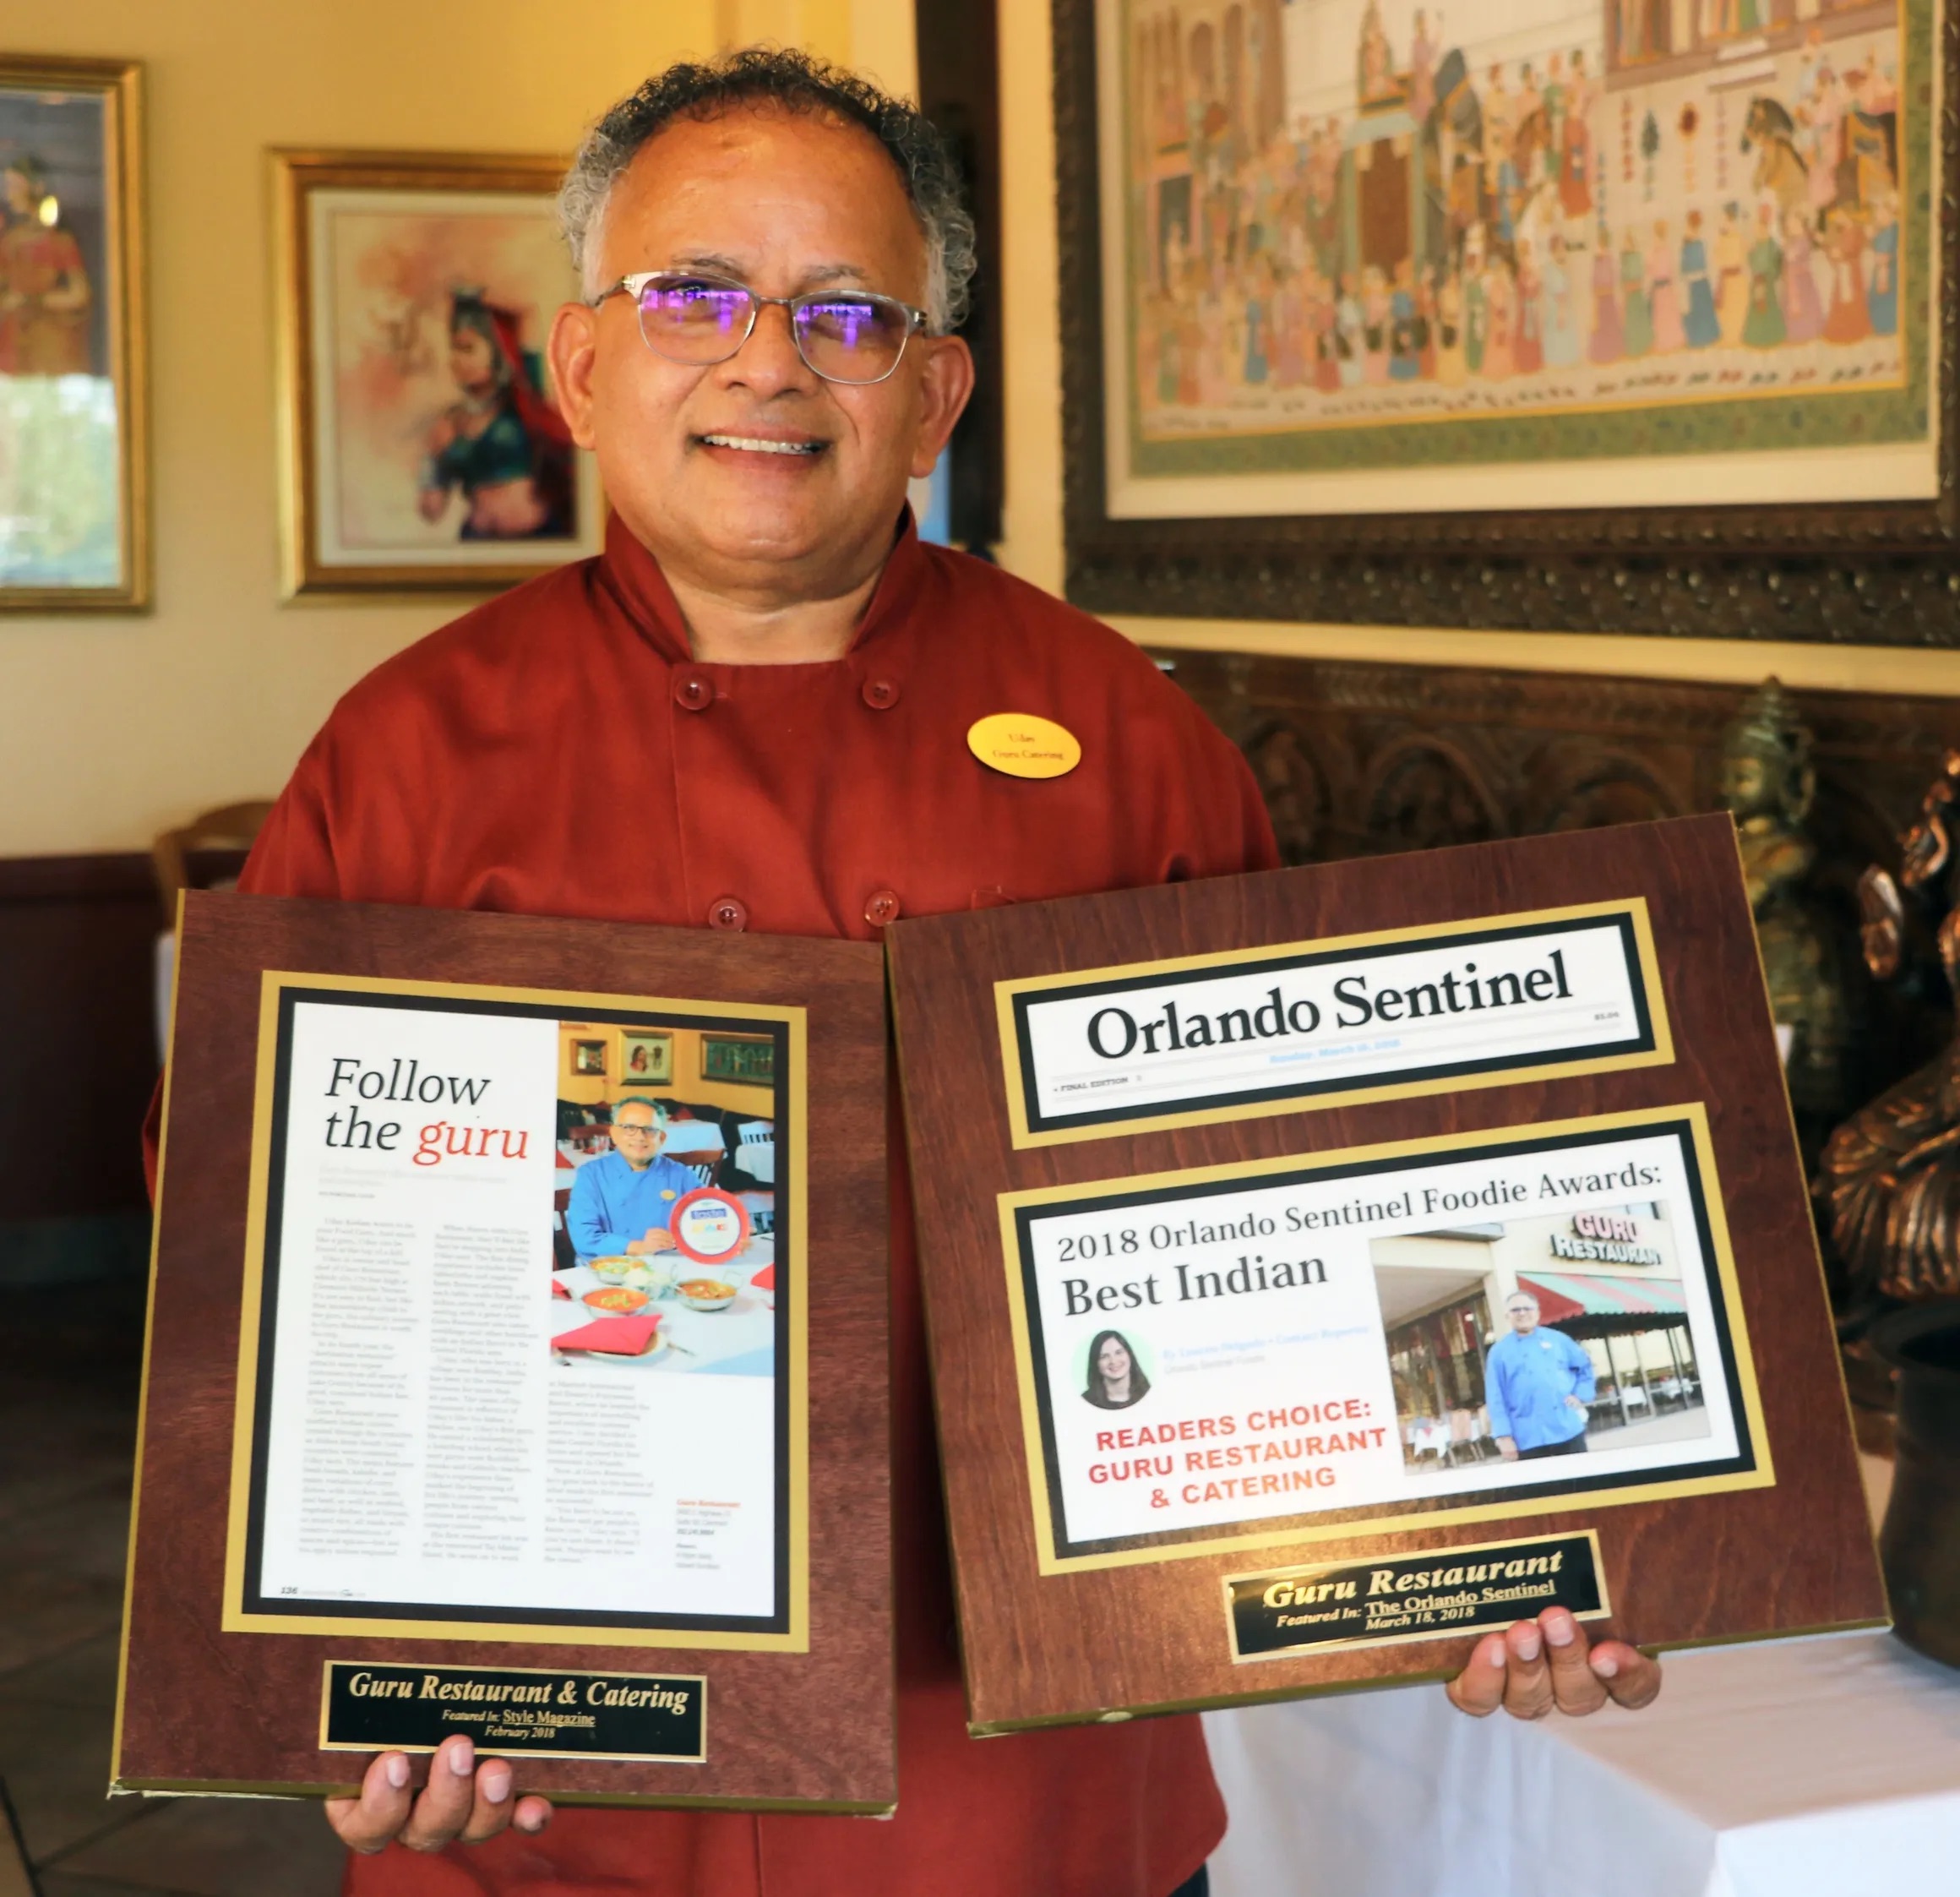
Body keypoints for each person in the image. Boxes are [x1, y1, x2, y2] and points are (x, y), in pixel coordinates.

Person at [162, 49, 1660, 1894]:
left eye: (844, 314)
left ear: (932, 388)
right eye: (692, 295)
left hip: (1024, 1803)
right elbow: (247, 1264)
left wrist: (1485, 1561)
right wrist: (322, 1676)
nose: (764, 359)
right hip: (549, 1801)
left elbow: (1318, 1213)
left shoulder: (1123, 741)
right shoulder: (402, 755)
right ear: (579, 366)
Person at [418, 289, 576, 539]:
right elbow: (431, 510)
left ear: (497, 351)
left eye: (467, 348)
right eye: (454, 348)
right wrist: (434, 459)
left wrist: (472, 295)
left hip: (536, 539)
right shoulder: (450, 421)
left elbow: (526, 312)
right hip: (477, 545)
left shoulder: (523, 397)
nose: (456, 359)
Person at [565, 1097, 701, 1261]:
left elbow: (709, 1217)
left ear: (662, 1138)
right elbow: (584, 1238)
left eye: (650, 1129)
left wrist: (729, 1236)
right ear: (613, 1134)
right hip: (607, 1270)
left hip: (667, 1266)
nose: (640, 1137)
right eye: (629, 1128)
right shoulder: (591, 1175)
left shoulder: (682, 1175)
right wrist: (640, 1247)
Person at [0, 155, 93, 376]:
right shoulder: (9, 241)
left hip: (48, 341)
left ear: (37, 187)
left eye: (15, 186)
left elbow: (80, 294)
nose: (9, 194)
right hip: (13, 342)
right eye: (7, 186)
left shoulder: (59, 241)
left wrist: (34, 300)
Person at [1485, 1290, 1597, 1459]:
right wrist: (1503, 1436)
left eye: (1527, 1308)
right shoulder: (1499, 1351)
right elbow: (1495, 1397)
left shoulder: (1559, 1340)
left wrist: (1580, 1395)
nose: (1522, 1313)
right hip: (1527, 1438)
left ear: (1537, 1313)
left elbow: (1585, 1367)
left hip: (1567, 1428)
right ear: (1507, 1316)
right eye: (1515, 1310)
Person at [1084, 1329, 1151, 1409]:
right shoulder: (1086, 1402)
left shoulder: (1150, 1393)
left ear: (1129, 1355)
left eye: (1119, 1352)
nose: (1113, 1361)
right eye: (1104, 1356)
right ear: (1096, 1364)